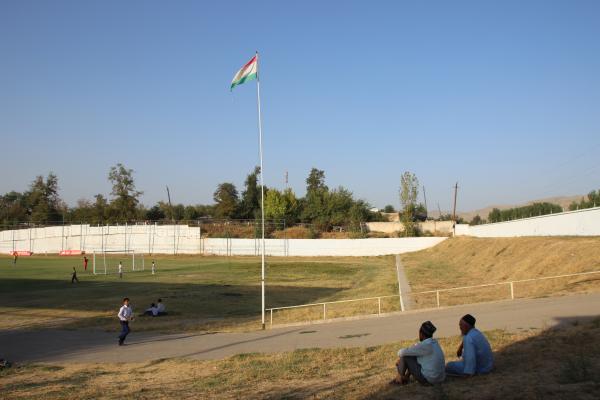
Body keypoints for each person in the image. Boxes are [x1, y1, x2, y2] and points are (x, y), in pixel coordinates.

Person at [391, 321, 445, 385]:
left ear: (421, 334)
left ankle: (399, 380)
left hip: (430, 380)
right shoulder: (434, 343)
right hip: (440, 378)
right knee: (412, 356)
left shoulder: (424, 346)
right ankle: (405, 377)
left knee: (405, 357)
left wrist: (401, 361)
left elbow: (400, 352)